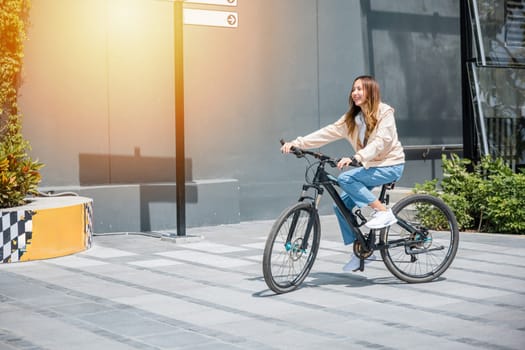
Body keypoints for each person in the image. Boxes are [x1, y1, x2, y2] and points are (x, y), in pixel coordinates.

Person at [281, 75, 405, 272]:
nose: (355, 93)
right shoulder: (352, 119)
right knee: (341, 207)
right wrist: (298, 143)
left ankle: (383, 212)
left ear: (370, 92)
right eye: (353, 89)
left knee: (346, 177)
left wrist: (357, 157)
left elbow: (382, 141)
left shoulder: (385, 112)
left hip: (390, 164)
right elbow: (327, 133)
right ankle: (362, 251)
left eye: (360, 89)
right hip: (369, 166)